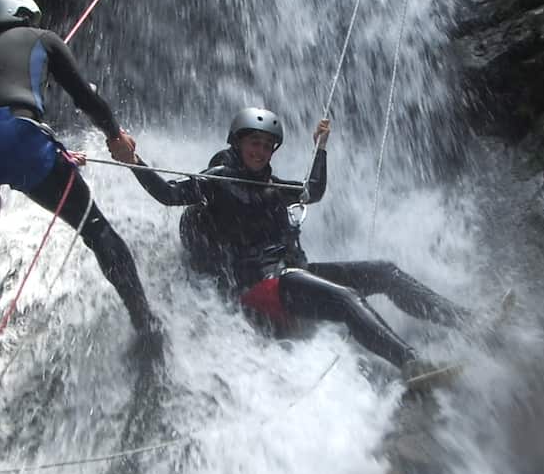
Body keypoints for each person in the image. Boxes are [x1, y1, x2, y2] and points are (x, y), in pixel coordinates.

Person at [109, 107, 469, 379]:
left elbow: (313, 191)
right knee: (346, 298)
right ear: (237, 141)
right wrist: (133, 161)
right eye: (254, 142)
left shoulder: (272, 186)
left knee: (386, 272)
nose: (261, 151)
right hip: (256, 286)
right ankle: (411, 364)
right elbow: (169, 194)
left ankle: (470, 324)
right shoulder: (216, 179)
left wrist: (321, 148)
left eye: (267, 146)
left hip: (288, 274)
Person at [0, 0, 161, 404]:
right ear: (23, 13)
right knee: (95, 228)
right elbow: (85, 97)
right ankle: (145, 323)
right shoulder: (42, 39)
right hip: (23, 144)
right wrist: (114, 135)